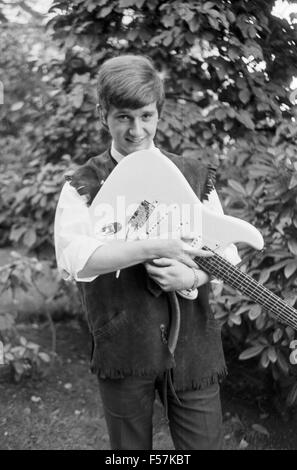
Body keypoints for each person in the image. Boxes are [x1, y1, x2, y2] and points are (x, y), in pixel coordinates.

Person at [54, 54, 240, 450]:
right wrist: (153, 246)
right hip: (123, 345)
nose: (136, 129)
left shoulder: (195, 176)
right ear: (103, 114)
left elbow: (227, 255)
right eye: (123, 117)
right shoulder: (83, 185)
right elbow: (76, 259)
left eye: (146, 115)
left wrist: (193, 276)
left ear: (158, 113)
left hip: (194, 347)